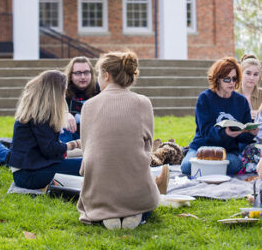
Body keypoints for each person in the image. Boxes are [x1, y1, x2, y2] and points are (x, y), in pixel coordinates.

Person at [77, 50, 159, 230]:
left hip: (99, 194)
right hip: (137, 191)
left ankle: (106, 215)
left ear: (106, 75)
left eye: (98, 74)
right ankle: (135, 211)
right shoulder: (143, 102)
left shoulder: (88, 106)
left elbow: (87, 150)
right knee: (142, 178)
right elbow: (148, 147)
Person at [180, 57, 257, 176]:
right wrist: (225, 134)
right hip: (202, 147)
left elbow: (243, 138)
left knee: (235, 165)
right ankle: (208, 167)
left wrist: (250, 133)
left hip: (228, 150)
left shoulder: (241, 101)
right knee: (186, 167)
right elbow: (206, 132)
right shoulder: (205, 98)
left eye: (234, 79)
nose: (232, 82)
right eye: (227, 79)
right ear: (217, 79)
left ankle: (207, 170)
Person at [8, 70, 82, 190]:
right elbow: (50, 149)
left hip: (30, 171)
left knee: (86, 161)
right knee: (87, 164)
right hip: (29, 176)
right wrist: (76, 144)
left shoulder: (36, 113)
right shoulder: (39, 117)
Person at [60, 56, 100, 143]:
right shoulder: (63, 90)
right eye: (78, 73)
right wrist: (64, 114)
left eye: (86, 72)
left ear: (91, 74)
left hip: (94, 134)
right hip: (70, 133)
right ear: (71, 75)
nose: (82, 77)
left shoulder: (99, 89)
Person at [237, 54, 262, 118]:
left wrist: (260, 114)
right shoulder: (231, 94)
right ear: (241, 73)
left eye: (255, 74)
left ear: (259, 76)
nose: (252, 78)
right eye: (248, 73)